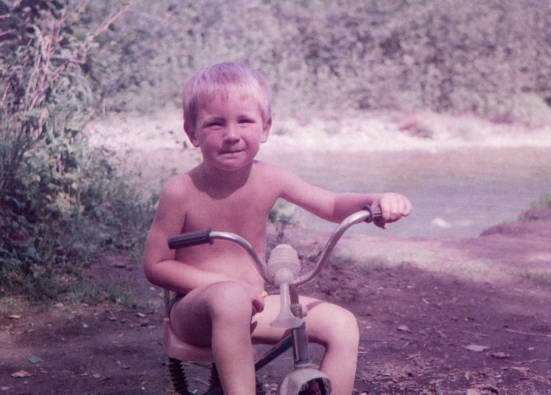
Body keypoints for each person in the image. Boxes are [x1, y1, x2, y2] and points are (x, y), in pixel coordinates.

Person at [143, 62, 412, 395]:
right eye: (215, 123)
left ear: (266, 127)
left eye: (245, 121)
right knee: (229, 297)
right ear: (192, 133)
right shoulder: (181, 191)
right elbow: (155, 265)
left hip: (256, 304)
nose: (231, 135)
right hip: (195, 311)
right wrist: (222, 284)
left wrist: (376, 199)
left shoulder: (270, 178)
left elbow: (329, 205)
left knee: (342, 324)